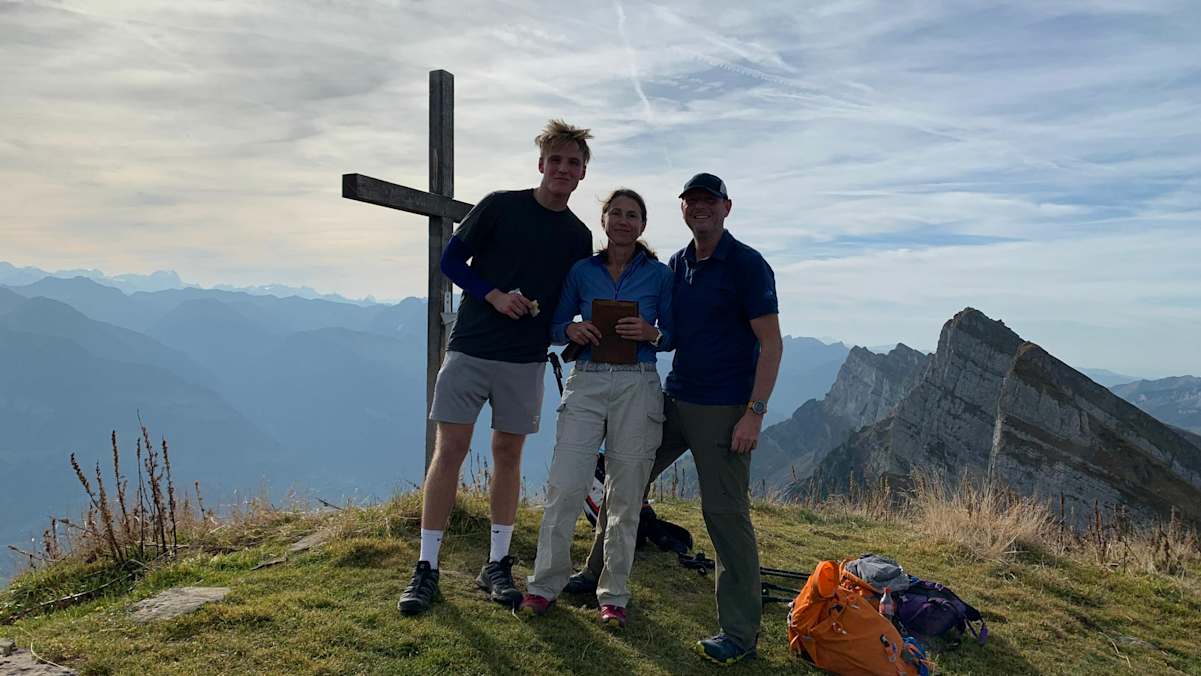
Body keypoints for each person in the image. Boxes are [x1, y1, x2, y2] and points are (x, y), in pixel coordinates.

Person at [566, 173, 782, 665]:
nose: (700, 208)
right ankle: (594, 573)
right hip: (675, 398)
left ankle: (740, 633)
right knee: (625, 480)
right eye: (692, 201)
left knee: (724, 515)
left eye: (710, 201)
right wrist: (646, 334)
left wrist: (754, 413)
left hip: (724, 408)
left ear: (726, 207)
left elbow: (771, 345)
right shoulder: (679, 264)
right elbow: (673, 335)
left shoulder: (747, 265)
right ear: (682, 208)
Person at [397, 119, 594, 616]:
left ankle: (497, 564)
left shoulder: (578, 236)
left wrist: (565, 328)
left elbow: (564, 300)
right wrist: (493, 295)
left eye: (573, 163)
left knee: (508, 454)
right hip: (471, 347)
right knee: (450, 451)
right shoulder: (500, 206)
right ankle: (426, 567)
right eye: (556, 160)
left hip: (525, 357)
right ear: (541, 164)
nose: (563, 169)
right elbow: (451, 262)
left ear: (583, 173)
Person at [518, 189, 674, 629]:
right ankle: (544, 586)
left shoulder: (660, 276)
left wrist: (651, 333)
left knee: (625, 498)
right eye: (616, 213)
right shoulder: (581, 272)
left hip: (638, 383)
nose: (623, 221)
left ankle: (614, 596)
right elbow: (554, 325)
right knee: (565, 487)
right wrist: (572, 329)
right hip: (586, 380)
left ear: (642, 225)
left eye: (632, 215)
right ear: (603, 221)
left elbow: (675, 333)